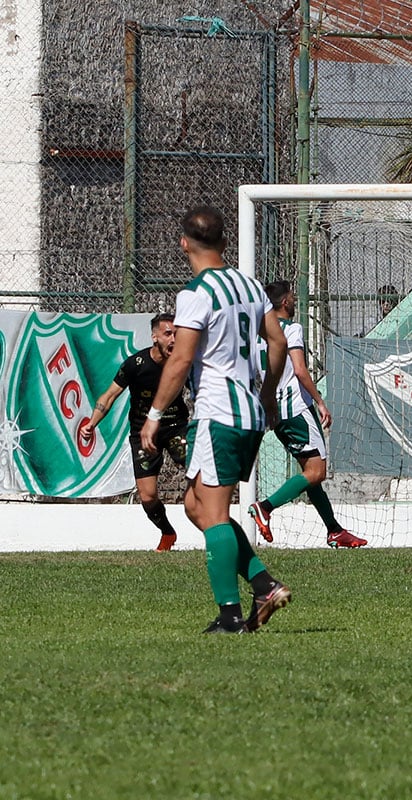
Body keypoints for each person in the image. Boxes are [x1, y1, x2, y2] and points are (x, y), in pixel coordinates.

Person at [140, 206, 291, 635]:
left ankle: (230, 616)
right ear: (226, 243)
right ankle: (264, 583)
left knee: (216, 514)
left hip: (218, 415)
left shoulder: (194, 294)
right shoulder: (248, 285)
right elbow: (276, 340)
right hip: (249, 415)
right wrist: (266, 393)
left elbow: (182, 357)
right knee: (195, 507)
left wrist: (153, 416)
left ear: (184, 244)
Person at [248, 280, 366, 549]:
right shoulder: (291, 329)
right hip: (297, 409)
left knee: (309, 472)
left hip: (276, 412)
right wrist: (320, 401)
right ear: (286, 302)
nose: (293, 300)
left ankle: (334, 530)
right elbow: (300, 370)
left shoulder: (256, 336)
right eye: (291, 296)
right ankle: (265, 507)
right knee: (317, 472)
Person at [82, 313, 189, 552]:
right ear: (154, 337)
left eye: (177, 334)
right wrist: (92, 423)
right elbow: (109, 395)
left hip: (175, 427)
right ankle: (167, 533)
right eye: (168, 333)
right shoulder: (136, 365)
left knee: (197, 470)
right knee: (148, 496)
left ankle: (210, 520)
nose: (174, 339)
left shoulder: (183, 362)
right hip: (143, 433)